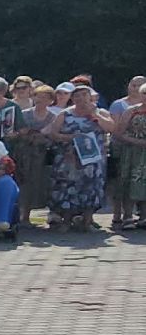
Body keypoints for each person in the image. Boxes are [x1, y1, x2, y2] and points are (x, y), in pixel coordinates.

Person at [44, 83, 114, 232]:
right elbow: (53, 133)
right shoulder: (65, 114)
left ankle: (88, 222)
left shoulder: (101, 112)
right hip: (69, 159)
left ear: (91, 97)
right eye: (77, 96)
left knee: (92, 188)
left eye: (84, 95)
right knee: (67, 187)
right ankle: (66, 222)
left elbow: (112, 128)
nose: (81, 99)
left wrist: (95, 115)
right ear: (72, 98)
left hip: (93, 160)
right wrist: (70, 137)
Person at [12, 81, 55, 225]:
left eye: (44, 97)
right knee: (23, 182)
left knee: (39, 183)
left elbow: (52, 136)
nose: (40, 100)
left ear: (50, 100)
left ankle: (37, 214)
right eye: (37, 96)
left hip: (42, 156)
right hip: (24, 154)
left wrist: (39, 138)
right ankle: (21, 215)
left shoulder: (53, 117)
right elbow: (20, 132)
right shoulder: (24, 114)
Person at [111, 77, 146, 230]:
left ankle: (144, 216)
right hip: (132, 153)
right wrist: (136, 141)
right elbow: (118, 133)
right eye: (144, 93)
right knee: (129, 183)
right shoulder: (131, 111)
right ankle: (127, 216)